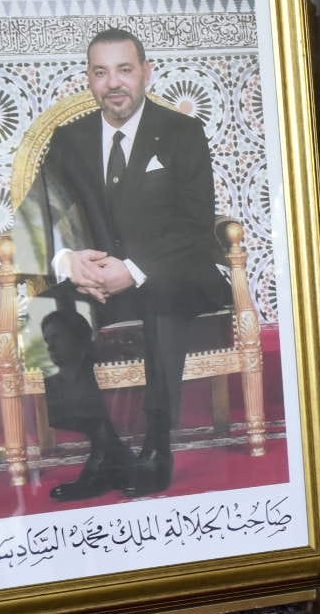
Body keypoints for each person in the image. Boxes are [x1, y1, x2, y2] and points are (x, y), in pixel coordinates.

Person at [18, 27, 229, 501]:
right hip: (100, 283)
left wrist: (132, 269)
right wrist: (68, 260)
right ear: (89, 80)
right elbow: (35, 216)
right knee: (48, 312)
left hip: (176, 274)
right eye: (100, 72)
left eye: (124, 70)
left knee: (160, 300)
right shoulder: (69, 139)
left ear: (146, 73)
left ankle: (157, 445)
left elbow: (196, 225)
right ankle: (105, 448)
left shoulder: (181, 132)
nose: (113, 82)